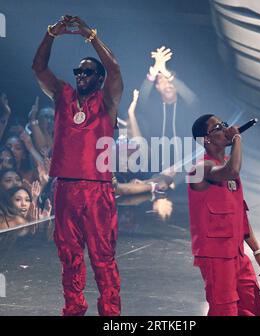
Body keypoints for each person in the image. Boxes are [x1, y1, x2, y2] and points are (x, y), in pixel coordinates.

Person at [32, 15, 123, 316]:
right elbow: (39, 68)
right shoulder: (63, 96)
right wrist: (51, 34)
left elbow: (115, 69)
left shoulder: (107, 101)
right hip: (66, 188)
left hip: (97, 191)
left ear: (98, 78)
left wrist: (90, 35)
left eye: (88, 72)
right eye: (78, 71)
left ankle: (110, 313)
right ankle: (73, 308)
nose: (81, 75)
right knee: (69, 255)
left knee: (102, 257)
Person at [188, 114, 260, 316]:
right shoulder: (199, 169)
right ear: (205, 139)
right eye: (218, 127)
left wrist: (257, 250)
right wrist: (237, 139)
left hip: (236, 252)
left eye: (224, 124)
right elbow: (231, 170)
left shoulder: (226, 163)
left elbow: (240, 214)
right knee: (224, 309)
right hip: (216, 255)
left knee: (250, 301)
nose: (225, 128)